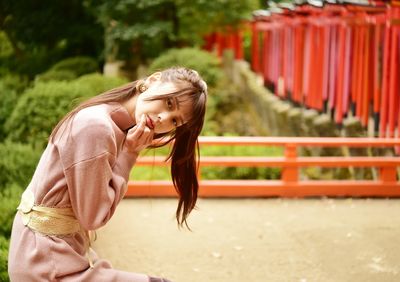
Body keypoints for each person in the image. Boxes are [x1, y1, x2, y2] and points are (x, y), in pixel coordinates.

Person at [8, 67, 208, 281]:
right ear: (152, 80)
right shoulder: (97, 126)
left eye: (175, 121)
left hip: (62, 251)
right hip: (45, 261)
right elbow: (93, 218)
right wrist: (130, 155)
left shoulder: (114, 122)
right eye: (169, 103)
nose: (163, 118)